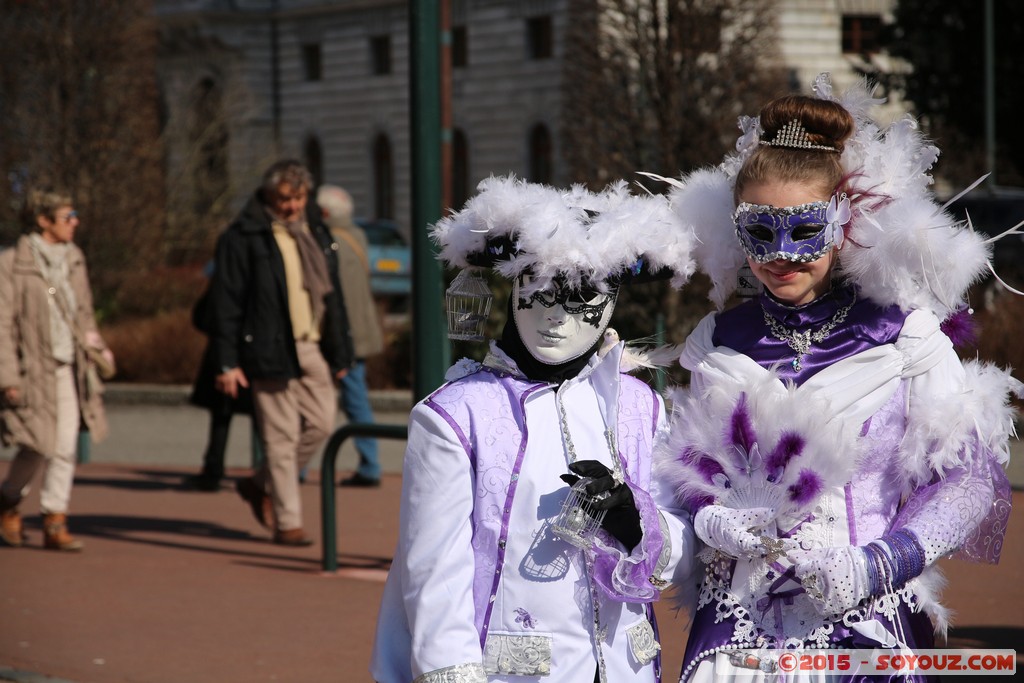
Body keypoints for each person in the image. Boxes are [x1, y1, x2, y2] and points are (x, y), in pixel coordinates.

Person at [654, 74, 1021, 681]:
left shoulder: (904, 338)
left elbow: (966, 479)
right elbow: (686, 468)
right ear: (736, 227)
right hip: (738, 637)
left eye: (804, 230)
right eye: (761, 232)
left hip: (865, 624)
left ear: (843, 221)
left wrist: (881, 562)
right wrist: (705, 513)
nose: (782, 255)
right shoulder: (715, 342)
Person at [370, 175, 699, 683]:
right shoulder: (459, 415)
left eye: (583, 299)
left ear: (612, 302)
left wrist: (637, 522)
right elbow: (434, 573)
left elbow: (679, 555)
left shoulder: (640, 406)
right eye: (541, 292)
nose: (557, 319)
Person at [209, 160, 355, 546]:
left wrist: (341, 353)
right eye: (284, 199)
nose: (292, 206)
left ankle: (260, 484)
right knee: (280, 437)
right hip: (268, 347)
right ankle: (288, 522)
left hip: (311, 345)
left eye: (299, 197)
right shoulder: (245, 236)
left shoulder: (314, 232)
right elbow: (226, 301)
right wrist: (227, 361)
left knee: (322, 424)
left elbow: (333, 296)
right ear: (269, 197)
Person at [0, 188, 114, 551]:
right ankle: (9, 501)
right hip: (30, 368)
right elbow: (1, 324)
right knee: (36, 445)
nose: (75, 222)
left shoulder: (74, 258)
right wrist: (7, 376)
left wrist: (98, 349)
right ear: (43, 220)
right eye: (68, 216)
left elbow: (83, 313)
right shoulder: (12, 262)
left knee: (65, 445)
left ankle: (54, 517)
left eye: (75, 214)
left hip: (68, 365)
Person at [314, 184, 386, 487]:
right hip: (360, 329)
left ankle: (299, 467)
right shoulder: (356, 234)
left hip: (338, 333)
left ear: (325, 213)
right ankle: (370, 463)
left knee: (313, 399)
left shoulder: (325, 241)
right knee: (357, 397)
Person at [182, 260, 256, 492]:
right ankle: (269, 473)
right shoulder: (262, 272)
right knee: (265, 416)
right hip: (253, 356)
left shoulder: (225, 276)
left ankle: (213, 470)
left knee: (222, 417)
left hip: (227, 352)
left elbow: (203, 316)